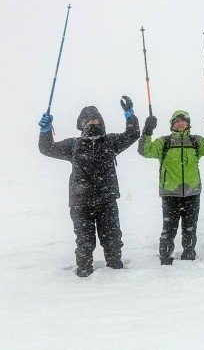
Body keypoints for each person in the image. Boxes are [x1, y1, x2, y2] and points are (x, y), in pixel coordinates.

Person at [38, 96, 142, 277]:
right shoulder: (74, 145)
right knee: (84, 242)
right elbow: (46, 148)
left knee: (112, 240)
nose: (93, 122)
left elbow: (132, 134)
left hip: (107, 201)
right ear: (82, 124)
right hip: (80, 203)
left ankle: (115, 272)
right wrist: (45, 130)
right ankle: (84, 274)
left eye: (96, 119)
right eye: (88, 120)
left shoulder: (111, 142)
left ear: (101, 122)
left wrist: (129, 115)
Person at [138, 108, 204, 264]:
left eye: (183, 121)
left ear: (188, 124)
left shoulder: (195, 141)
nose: (180, 124)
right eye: (177, 121)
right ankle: (165, 258)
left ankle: (189, 254)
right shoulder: (164, 142)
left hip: (192, 192)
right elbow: (144, 150)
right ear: (172, 125)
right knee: (168, 229)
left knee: (190, 228)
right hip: (170, 194)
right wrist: (147, 131)